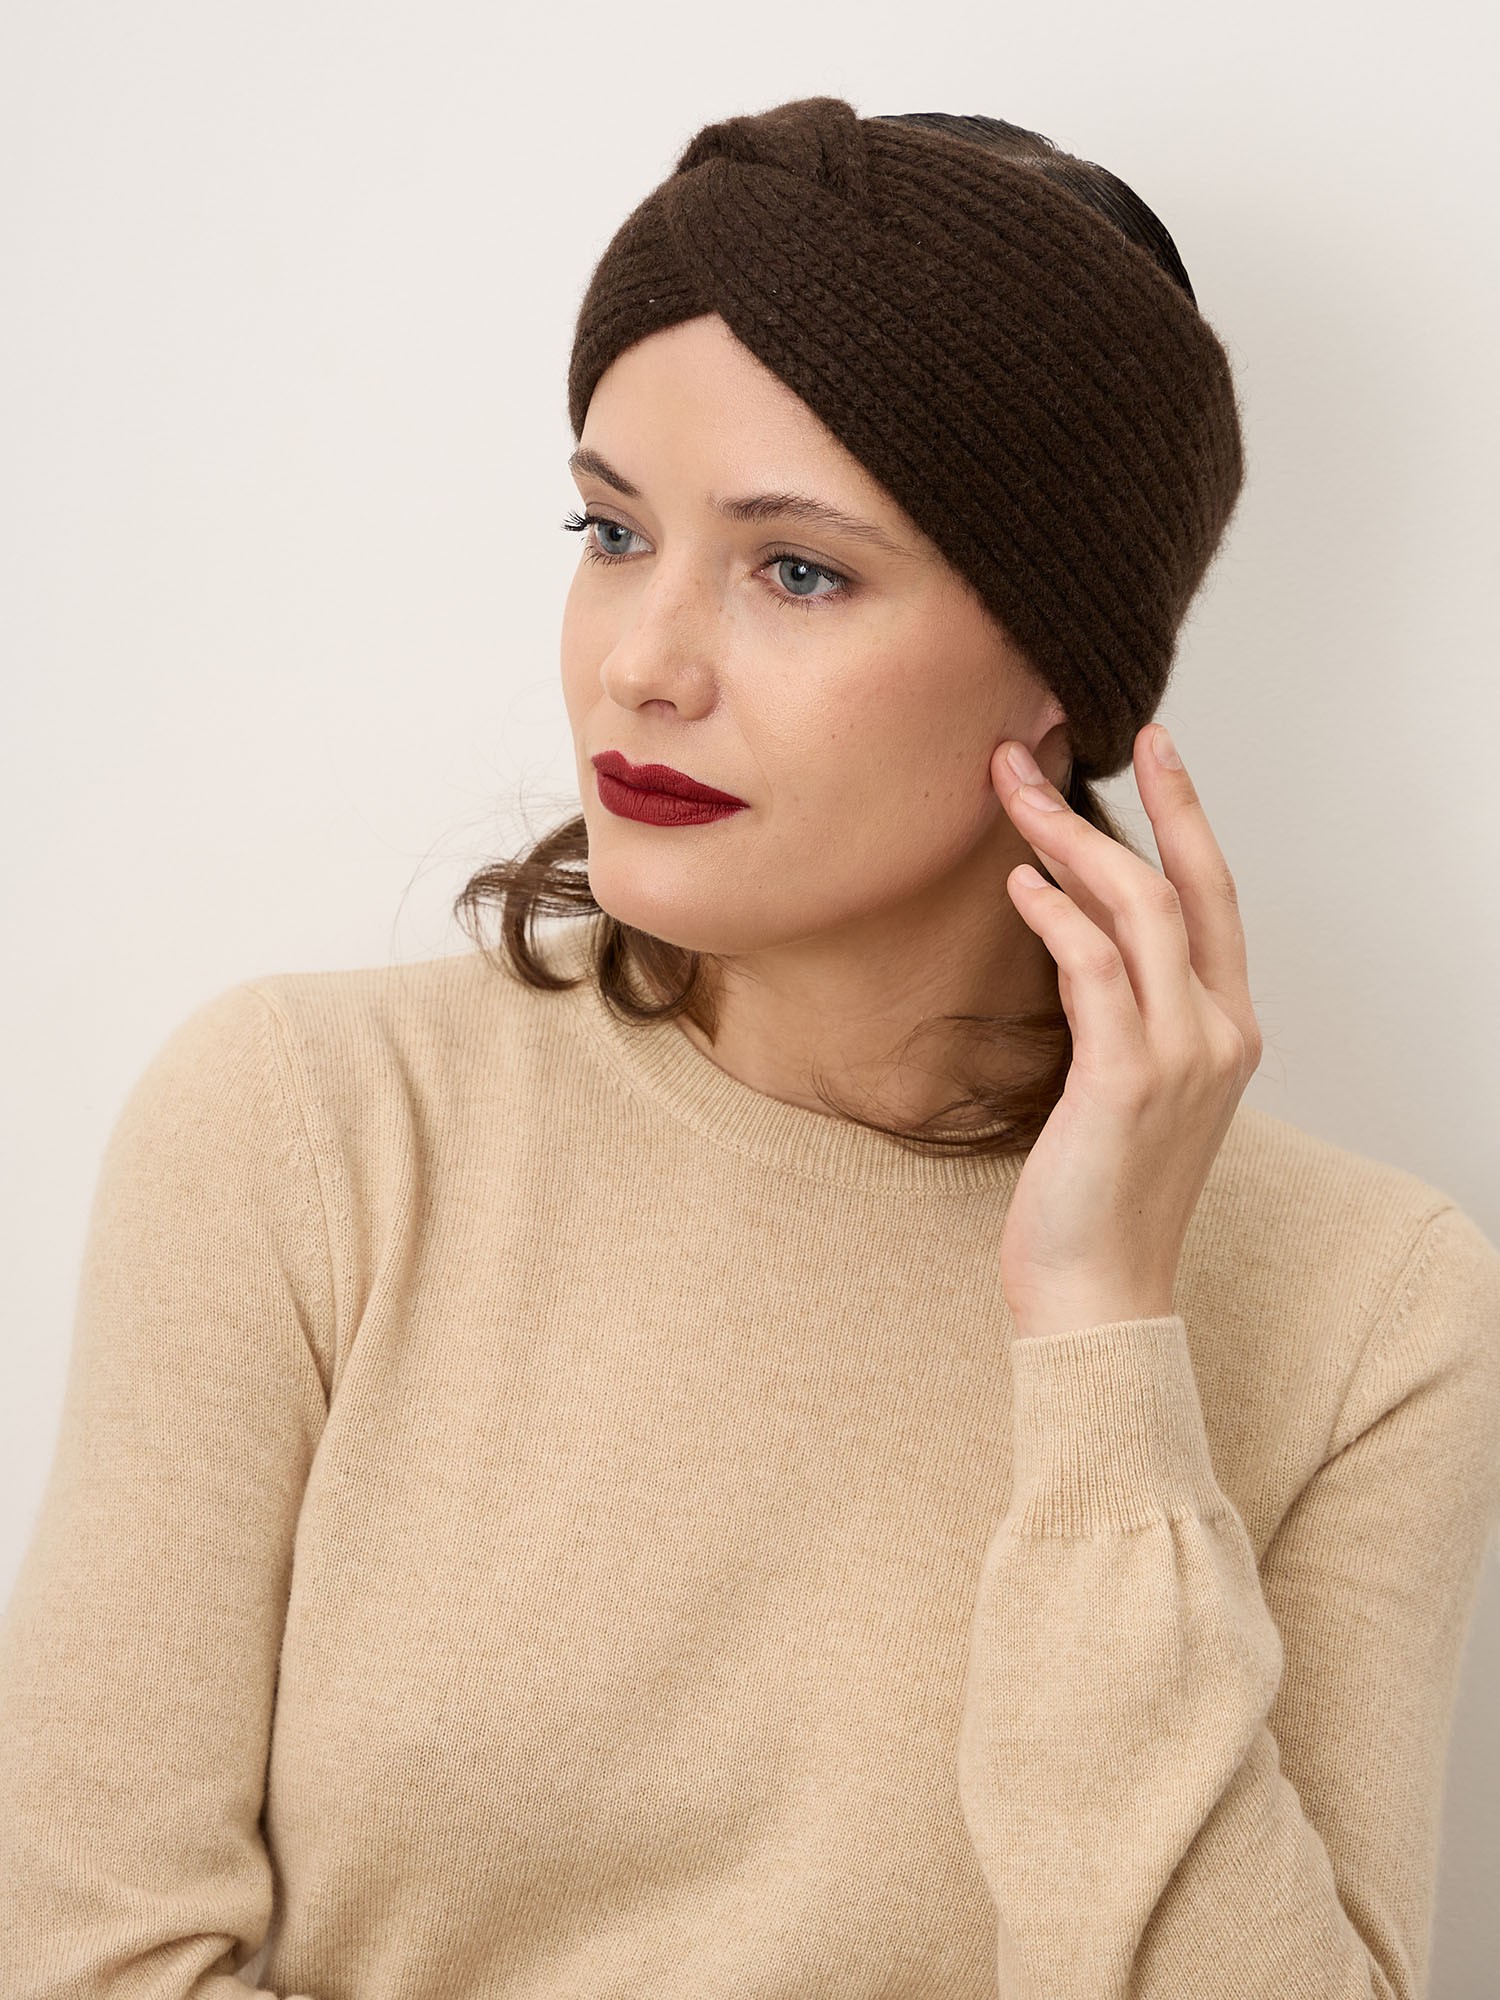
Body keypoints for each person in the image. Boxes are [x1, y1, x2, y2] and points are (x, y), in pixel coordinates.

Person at [2, 95, 1497, 2000]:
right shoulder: (310, 1131)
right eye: (611, 531)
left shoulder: (1375, 1315)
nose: (642, 661)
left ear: (1067, 670)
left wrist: (1104, 1339)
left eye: (797, 570)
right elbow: (83, 1956)